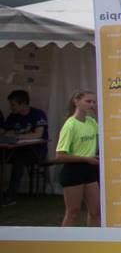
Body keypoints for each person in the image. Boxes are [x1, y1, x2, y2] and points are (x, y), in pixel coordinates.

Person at [55, 91, 99, 227]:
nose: (91, 104)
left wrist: (98, 113)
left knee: (96, 211)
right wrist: (86, 159)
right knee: (73, 211)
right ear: (76, 101)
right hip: (73, 171)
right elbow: (60, 155)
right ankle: (65, 239)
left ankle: (93, 238)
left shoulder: (91, 122)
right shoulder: (70, 125)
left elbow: (107, 131)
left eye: (94, 102)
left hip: (90, 169)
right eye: (88, 101)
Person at [2, 90, 48, 206]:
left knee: (19, 159)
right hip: (15, 150)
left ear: (23, 104)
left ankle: (11, 196)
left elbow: (38, 134)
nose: (10, 107)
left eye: (13, 104)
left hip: (36, 152)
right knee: (10, 156)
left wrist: (17, 136)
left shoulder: (37, 114)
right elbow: (4, 131)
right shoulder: (13, 116)